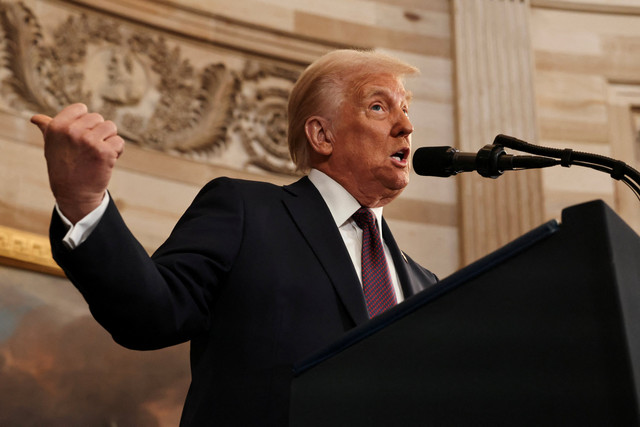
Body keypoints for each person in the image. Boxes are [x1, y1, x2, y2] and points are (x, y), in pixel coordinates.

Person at [31, 49, 438, 426]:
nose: (406, 126)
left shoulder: (425, 285)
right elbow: (151, 313)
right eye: (379, 107)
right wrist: (83, 201)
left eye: (404, 109)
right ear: (322, 135)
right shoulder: (247, 212)